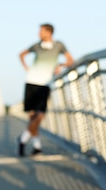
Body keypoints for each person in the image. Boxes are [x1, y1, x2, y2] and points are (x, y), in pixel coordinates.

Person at [18, 23, 74, 156]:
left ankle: (22, 139)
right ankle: (37, 147)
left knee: (40, 114)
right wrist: (26, 68)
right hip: (31, 81)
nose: (39, 34)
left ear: (49, 32)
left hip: (45, 83)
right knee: (32, 117)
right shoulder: (36, 46)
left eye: (41, 31)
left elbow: (70, 60)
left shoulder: (59, 45)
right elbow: (21, 55)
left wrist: (60, 65)